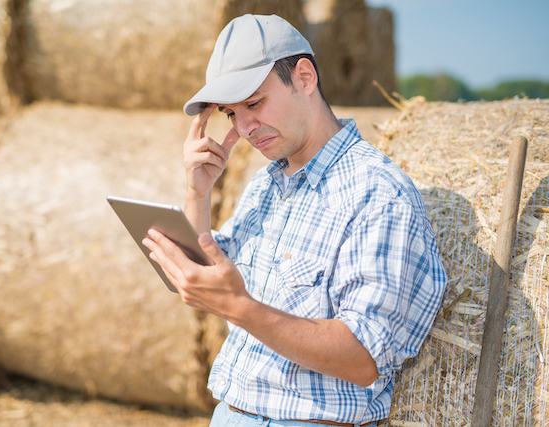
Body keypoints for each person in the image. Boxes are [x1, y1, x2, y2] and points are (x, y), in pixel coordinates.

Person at [142, 14, 446, 427]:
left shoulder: (377, 194)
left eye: (253, 103)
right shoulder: (267, 185)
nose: (245, 127)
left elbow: (363, 359)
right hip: (230, 415)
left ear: (304, 77)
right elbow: (208, 278)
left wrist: (241, 308)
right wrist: (198, 193)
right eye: (230, 114)